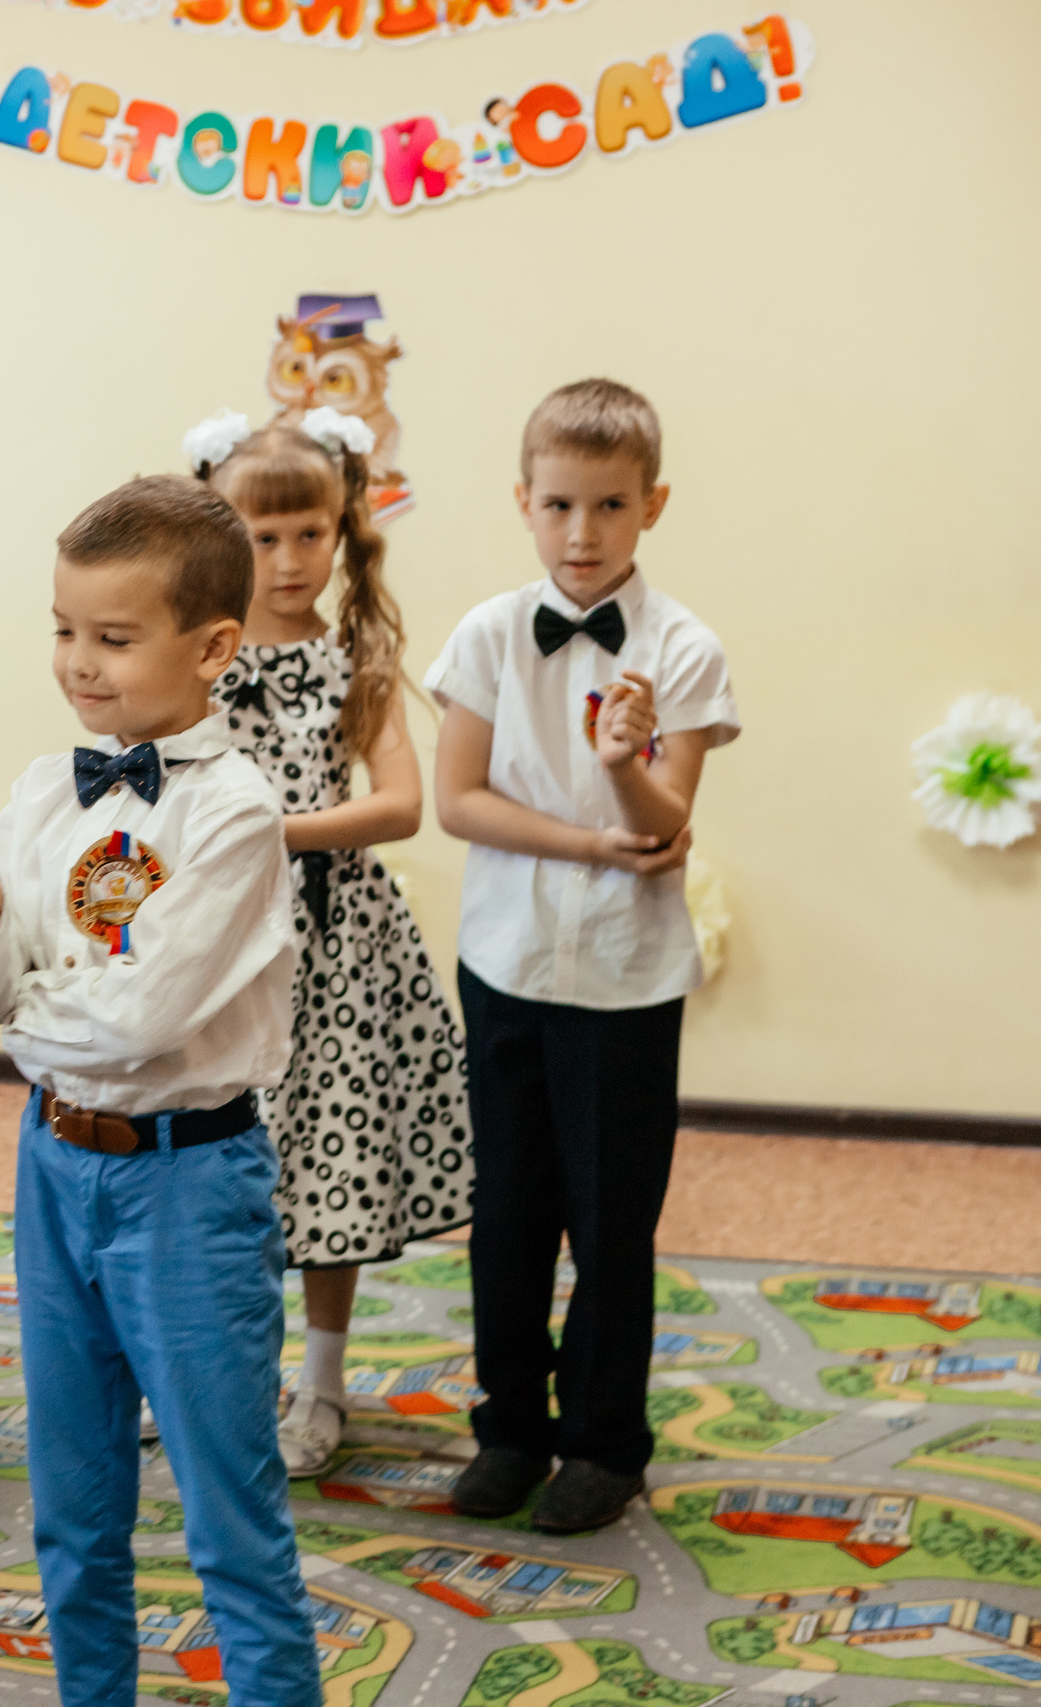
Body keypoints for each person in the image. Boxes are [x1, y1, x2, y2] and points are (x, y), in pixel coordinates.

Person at [0, 476, 321, 1707]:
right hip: (54, 1171)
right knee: (73, 1515)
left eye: (113, 638)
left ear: (211, 648)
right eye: (63, 630)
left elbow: (140, 1023)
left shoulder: (237, 815)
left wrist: (35, 1004)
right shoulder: (46, 791)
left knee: (228, 1528)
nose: (78, 665)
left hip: (190, 1184)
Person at [426, 378, 735, 1534]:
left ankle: (605, 1444)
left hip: (623, 983)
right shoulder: (487, 633)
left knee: (610, 1219)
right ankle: (509, 1428)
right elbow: (456, 801)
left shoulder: (684, 650)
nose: (581, 534)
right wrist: (585, 840)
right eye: (558, 505)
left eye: (608, 506)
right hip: (503, 965)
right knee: (505, 1215)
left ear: (650, 505)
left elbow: (662, 831)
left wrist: (620, 763)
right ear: (522, 500)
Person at [191, 410, 473, 1477]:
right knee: (220, 1167)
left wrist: (269, 832)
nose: (289, 560)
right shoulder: (198, 653)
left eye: (310, 533)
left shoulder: (358, 652)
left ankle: (320, 1378)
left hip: (331, 946)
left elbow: (400, 806)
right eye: (262, 538)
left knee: (328, 1162)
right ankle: (219, 1374)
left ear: (343, 528)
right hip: (217, 946)